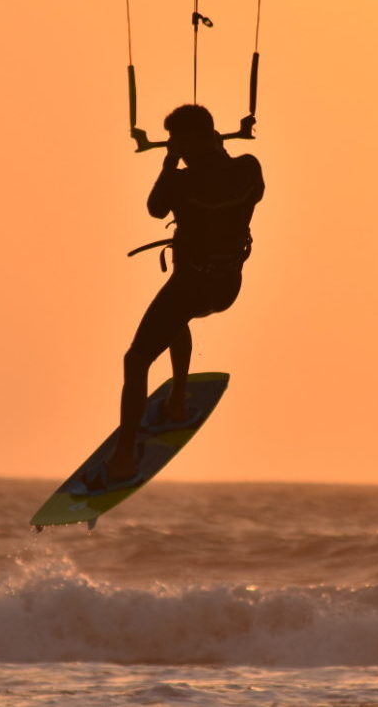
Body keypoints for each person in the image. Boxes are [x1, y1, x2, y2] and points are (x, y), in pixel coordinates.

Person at [104, 104, 264, 485]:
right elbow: (221, 172)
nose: (171, 146)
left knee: (137, 358)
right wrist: (207, 147)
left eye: (175, 139)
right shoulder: (248, 168)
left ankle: (125, 457)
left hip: (191, 283)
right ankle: (176, 403)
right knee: (178, 318)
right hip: (227, 286)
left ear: (187, 142)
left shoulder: (179, 181)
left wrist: (169, 162)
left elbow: (155, 208)